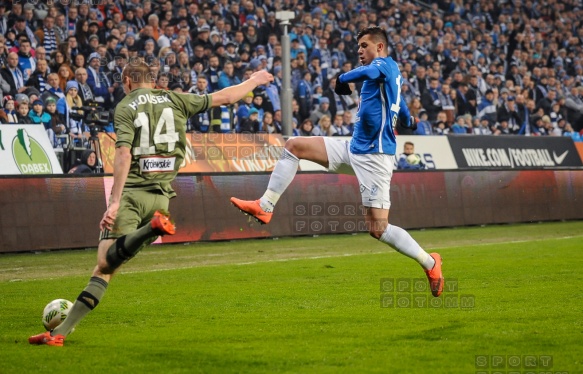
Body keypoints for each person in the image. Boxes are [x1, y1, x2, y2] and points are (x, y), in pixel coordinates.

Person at [29, 59, 273, 346]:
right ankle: (58, 334)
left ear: (128, 81)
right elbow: (226, 96)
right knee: (108, 270)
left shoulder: (125, 106)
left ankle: (151, 229)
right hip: (162, 198)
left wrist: (114, 201)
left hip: (133, 193)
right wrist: (255, 79)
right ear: (151, 79)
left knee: (104, 263)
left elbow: (123, 155)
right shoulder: (175, 99)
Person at [230, 26, 443, 298]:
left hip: (375, 158)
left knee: (378, 229)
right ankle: (265, 205)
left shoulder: (385, 66)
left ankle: (430, 262)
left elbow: (370, 72)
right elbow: (399, 107)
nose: (360, 51)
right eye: (359, 47)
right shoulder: (388, 78)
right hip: (354, 148)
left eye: (364, 46)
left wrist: (343, 77)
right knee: (294, 145)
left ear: (379, 47)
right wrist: (409, 121)